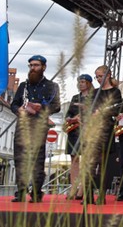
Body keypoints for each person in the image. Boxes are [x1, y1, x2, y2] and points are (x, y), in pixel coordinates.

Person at [10, 55, 61, 203]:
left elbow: (56, 106)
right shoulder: (23, 86)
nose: (33, 68)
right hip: (23, 125)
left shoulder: (52, 86)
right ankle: (21, 191)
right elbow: (14, 104)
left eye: (36, 65)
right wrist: (18, 110)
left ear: (43, 67)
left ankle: (37, 192)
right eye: (31, 65)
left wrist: (41, 107)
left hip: (39, 125)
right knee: (20, 159)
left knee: (37, 160)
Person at [87, 65, 122, 204]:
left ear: (108, 75)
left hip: (106, 129)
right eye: (97, 77)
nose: (98, 79)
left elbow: (117, 109)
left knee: (103, 164)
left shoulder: (115, 92)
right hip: (93, 129)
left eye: (100, 76)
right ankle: (88, 194)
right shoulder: (94, 93)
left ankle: (102, 194)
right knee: (91, 163)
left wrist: (102, 112)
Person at [65, 74, 94, 200]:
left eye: (83, 81)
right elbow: (68, 114)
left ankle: (82, 189)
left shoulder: (94, 97)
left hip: (87, 131)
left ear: (88, 83)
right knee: (74, 159)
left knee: (86, 160)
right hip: (74, 130)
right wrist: (71, 119)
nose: (81, 84)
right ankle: (73, 188)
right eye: (79, 82)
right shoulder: (75, 97)